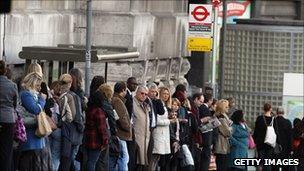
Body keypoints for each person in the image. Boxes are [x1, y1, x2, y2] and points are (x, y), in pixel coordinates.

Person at [18, 72, 47, 170]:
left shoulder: (32, 94)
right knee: (27, 157)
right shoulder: (26, 94)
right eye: (37, 85)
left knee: (32, 158)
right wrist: (42, 100)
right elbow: (35, 109)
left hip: (34, 130)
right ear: (31, 83)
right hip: (29, 131)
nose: (39, 88)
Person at [0, 60, 18, 171]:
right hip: (8, 119)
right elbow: (15, 104)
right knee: (6, 151)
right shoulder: (12, 85)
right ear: (5, 71)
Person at [84, 89, 109, 171]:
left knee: (89, 161)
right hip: (96, 141)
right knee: (92, 162)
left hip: (88, 139)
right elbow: (102, 129)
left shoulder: (89, 109)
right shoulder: (99, 111)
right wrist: (105, 142)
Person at [110, 81, 132, 170]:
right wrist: (128, 127)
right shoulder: (117, 101)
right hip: (120, 134)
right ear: (123, 90)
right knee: (124, 158)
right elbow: (121, 117)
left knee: (119, 157)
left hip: (118, 134)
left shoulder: (114, 99)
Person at [150, 87, 171, 171]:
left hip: (163, 135)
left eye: (167, 94)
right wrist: (169, 121)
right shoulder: (157, 103)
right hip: (158, 134)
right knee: (154, 158)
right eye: (164, 94)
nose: (166, 96)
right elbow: (157, 120)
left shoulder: (164, 105)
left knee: (157, 158)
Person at [253, 103, 276, 171]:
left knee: (260, 162)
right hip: (270, 144)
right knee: (268, 162)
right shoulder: (273, 119)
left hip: (260, 143)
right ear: (270, 109)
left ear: (263, 109)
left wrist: (255, 141)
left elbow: (256, 131)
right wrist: (278, 143)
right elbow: (276, 132)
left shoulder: (259, 118)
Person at [133, 85, 150, 170]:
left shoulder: (146, 105)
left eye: (146, 94)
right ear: (137, 92)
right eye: (142, 93)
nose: (144, 95)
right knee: (135, 164)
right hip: (136, 138)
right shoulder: (132, 103)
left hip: (145, 138)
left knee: (141, 165)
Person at [214, 99, 232, 171]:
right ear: (222, 108)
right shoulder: (221, 118)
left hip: (222, 144)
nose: (228, 108)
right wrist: (230, 127)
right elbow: (227, 132)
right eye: (226, 107)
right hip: (221, 145)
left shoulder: (220, 117)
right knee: (222, 166)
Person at [273, 107, 292, 171]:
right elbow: (290, 137)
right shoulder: (288, 122)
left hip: (275, 149)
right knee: (285, 167)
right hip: (285, 150)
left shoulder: (273, 122)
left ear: (277, 112)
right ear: (283, 113)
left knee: (275, 167)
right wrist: (290, 150)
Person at [189, 93, 204, 171]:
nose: (201, 104)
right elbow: (194, 124)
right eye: (200, 101)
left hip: (196, 138)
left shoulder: (197, 109)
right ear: (195, 99)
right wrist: (202, 121)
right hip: (192, 138)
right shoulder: (192, 108)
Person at [125, 77, 138, 171]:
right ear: (128, 84)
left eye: (136, 84)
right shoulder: (126, 96)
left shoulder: (130, 95)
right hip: (127, 127)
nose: (135, 86)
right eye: (133, 84)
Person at [199, 93, 214, 171]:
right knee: (205, 159)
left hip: (206, 138)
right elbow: (205, 125)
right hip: (206, 138)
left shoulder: (204, 108)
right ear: (210, 100)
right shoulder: (204, 108)